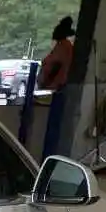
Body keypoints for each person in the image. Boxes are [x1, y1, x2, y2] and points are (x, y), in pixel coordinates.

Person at [39, 16, 77, 156]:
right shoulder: (64, 46)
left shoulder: (63, 47)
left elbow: (55, 65)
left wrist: (45, 83)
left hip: (55, 87)